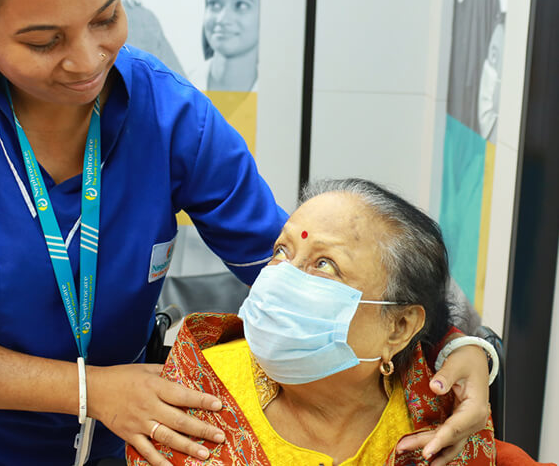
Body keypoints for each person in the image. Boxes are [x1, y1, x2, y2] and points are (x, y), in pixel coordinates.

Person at [0, 0, 492, 465]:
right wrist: (91, 391)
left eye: (106, 18)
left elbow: (287, 266)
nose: (88, 61)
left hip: (132, 441)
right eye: (43, 41)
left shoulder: (170, 117)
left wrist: (460, 342)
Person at [127, 179, 551, 466]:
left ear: (399, 328)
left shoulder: (440, 423)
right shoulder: (188, 409)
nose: (282, 277)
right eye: (281, 251)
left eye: (325, 265)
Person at [189, 0, 260, 91]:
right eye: (214, 4)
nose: (222, 19)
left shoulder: (283, 92)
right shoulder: (183, 85)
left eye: (241, 5)